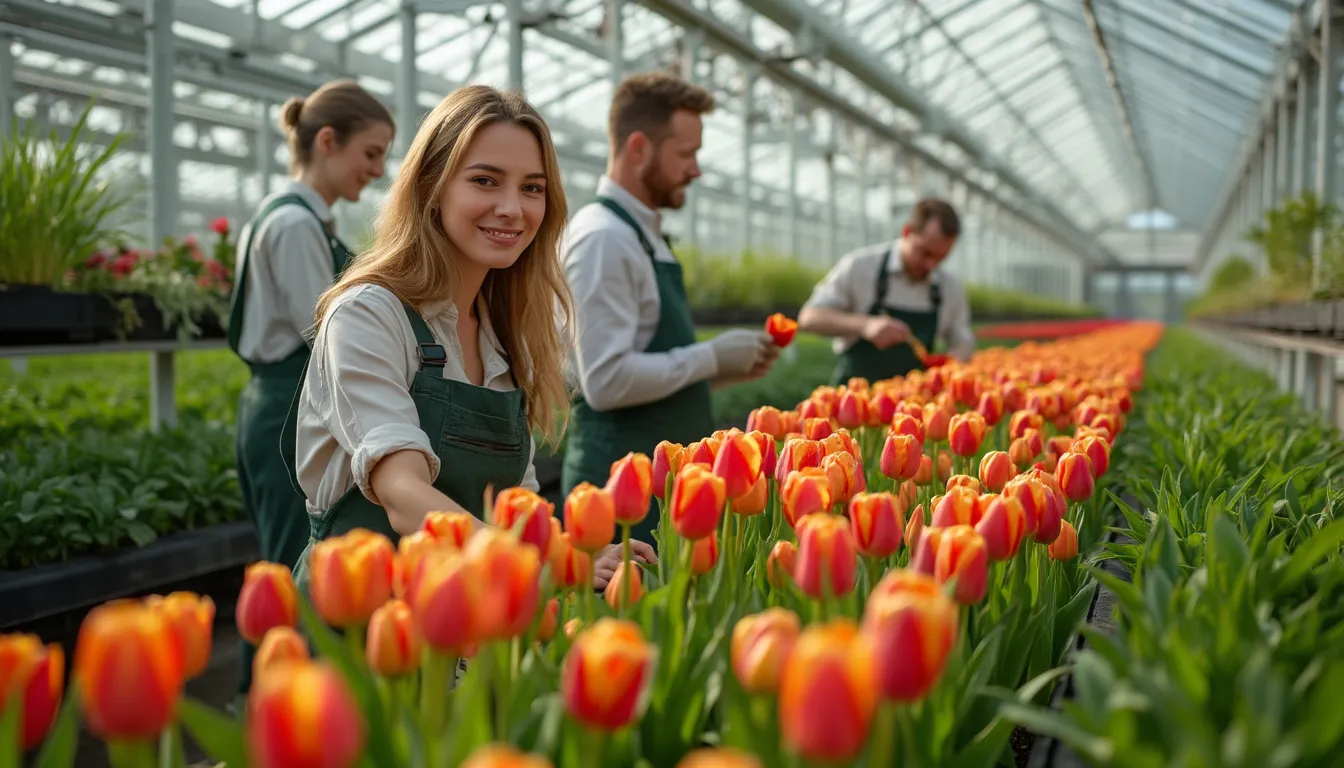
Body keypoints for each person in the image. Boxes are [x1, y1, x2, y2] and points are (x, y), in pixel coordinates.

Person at [288, 85, 656, 589]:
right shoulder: (369, 315)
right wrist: (545, 566)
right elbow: (402, 494)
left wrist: (570, 551)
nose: (512, 208)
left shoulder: (508, 332)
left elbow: (516, 502)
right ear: (432, 187)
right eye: (485, 180)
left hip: (470, 624)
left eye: (532, 188)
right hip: (365, 623)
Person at [561, 72, 779, 574]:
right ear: (638, 148)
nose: (696, 170)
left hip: (660, 488)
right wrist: (708, 356)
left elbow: (643, 360)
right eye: (686, 154)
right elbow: (605, 380)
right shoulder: (604, 239)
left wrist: (726, 368)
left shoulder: (641, 235)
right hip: (619, 496)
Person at [227, 79, 392, 696]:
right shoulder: (297, 225)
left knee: (282, 566)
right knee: (285, 573)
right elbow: (323, 327)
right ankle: (266, 714)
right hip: (288, 405)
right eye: (370, 154)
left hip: (279, 401)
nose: (376, 171)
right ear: (328, 141)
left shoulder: (291, 215)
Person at [797, 198, 976, 385]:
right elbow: (809, 317)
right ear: (907, 232)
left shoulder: (949, 287)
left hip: (915, 404)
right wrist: (865, 325)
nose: (930, 265)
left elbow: (962, 338)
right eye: (925, 253)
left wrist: (954, 359)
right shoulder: (861, 267)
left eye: (940, 258)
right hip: (855, 403)